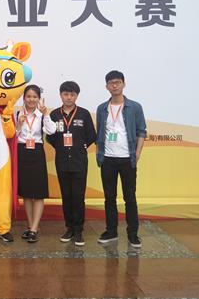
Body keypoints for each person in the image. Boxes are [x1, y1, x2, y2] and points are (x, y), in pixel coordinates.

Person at [96, 70, 146, 248]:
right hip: (108, 159)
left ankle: (133, 234)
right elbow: (100, 132)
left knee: (129, 197)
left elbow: (141, 131)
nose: (115, 85)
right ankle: (111, 231)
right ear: (107, 86)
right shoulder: (102, 108)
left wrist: (137, 153)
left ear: (124, 84)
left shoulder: (135, 107)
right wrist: (100, 154)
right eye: (111, 83)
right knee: (109, 198)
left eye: (118, 82)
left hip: (127, 159)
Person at [47, 81, 96, 247]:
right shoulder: (54, 114)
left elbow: (91, 136)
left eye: (72, 94)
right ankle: (69, 228)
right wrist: (61, 147)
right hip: (62, 161)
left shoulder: (84, 114)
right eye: (66, 94)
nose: (69, 97)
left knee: (78, 196)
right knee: (66, 196)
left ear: (77, 96)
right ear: (61, 95)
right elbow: (50, 136)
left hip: (79, 161)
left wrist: (79, 147)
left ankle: (79, 230)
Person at [16, 85, 56, 243]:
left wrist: (46, 114)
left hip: (37, 153)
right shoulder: (17, 114)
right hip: (22, 152)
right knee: (26, 192)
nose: (31, 100)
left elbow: (52, 131)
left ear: (39, 99)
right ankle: (30, 226)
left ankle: (34, 228)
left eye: (34, 97)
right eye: (28, 96)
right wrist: (19, 125)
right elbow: (12, 135)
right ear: (24, 98)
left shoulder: (41, 115)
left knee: (38, 193)